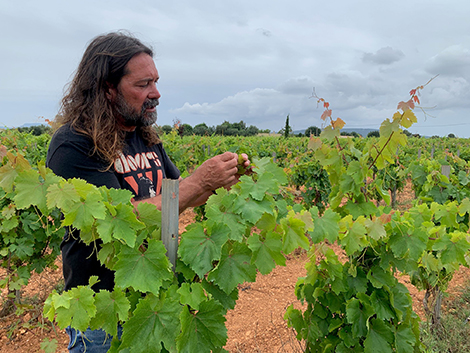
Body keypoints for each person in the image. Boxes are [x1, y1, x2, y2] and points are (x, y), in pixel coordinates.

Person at [46, 31, 249, 352]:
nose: (155, 93)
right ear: (107, 88)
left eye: (155, 82)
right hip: (104, 310)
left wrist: (218, 182)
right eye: (142, 85)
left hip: (154, 293)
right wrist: (198, 181)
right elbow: (114, 221)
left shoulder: (146, 137)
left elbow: (176, 200)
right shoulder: (74, 144)